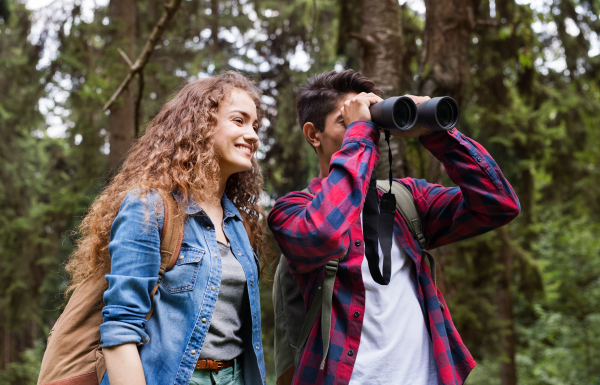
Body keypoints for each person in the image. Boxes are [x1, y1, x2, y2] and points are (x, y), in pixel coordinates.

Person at [267, 69, 520, 385]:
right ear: (313, 134)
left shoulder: (406, 199)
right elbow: (323, 233)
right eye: (346, 121)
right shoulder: (292, 211)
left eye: (370, 122)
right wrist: (361, 133)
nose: (365, 131)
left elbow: (498, 203)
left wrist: (437, 134)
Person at [65, 71, 268, 385]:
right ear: (202, 125)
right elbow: (121, 330)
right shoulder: (149, 208)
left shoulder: (238, 222)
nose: (253, 135)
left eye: (255, 126)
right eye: (239, 121)